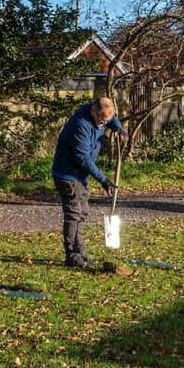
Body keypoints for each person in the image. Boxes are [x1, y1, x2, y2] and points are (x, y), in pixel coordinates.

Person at [52, 96, 127, 268]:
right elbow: (83, 159)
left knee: (83, 212)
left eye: (106, 120)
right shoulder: (81, 125)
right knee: (73, 214)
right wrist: (104, 180)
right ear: (93, 111)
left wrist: (119, 128)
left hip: (81, 175)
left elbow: (111, 117)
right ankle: (72, 256)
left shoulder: (103, 113)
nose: (103, 123)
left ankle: (81, 253)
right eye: (101, 119)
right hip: (68, 175)